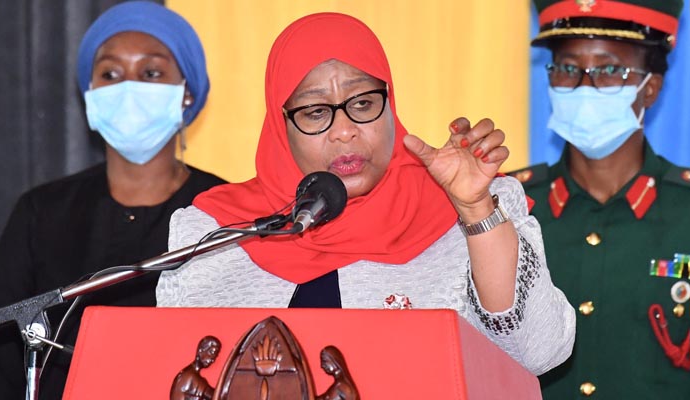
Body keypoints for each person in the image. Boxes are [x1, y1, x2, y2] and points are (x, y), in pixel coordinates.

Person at [156, 12, 575, 376]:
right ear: (281, 125)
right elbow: (174, 373)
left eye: (361, 103)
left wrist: (475, 209)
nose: (344, 131)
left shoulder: (468, 205)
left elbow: (537, 353)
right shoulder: (218, 232)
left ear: (390, 102)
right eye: (315, 112)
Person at [0, 2, 226, 399]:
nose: (128, 88)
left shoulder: (228, 216)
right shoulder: (40, 214)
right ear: (90, 95)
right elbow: (0, 366)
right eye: (110, 74)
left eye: (151, 73)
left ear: (186, 92)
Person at [508, 0, 690, 398]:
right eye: (567, 68)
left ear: (651, 87)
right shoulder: (508, 210)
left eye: (608, 71)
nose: (583, 87)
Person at [170, 335, 221, 400]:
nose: (212, 359)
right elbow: (216, 395)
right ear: (201, 350)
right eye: (211, 352)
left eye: (215, 356)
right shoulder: (190, 376)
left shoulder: (193, 376)